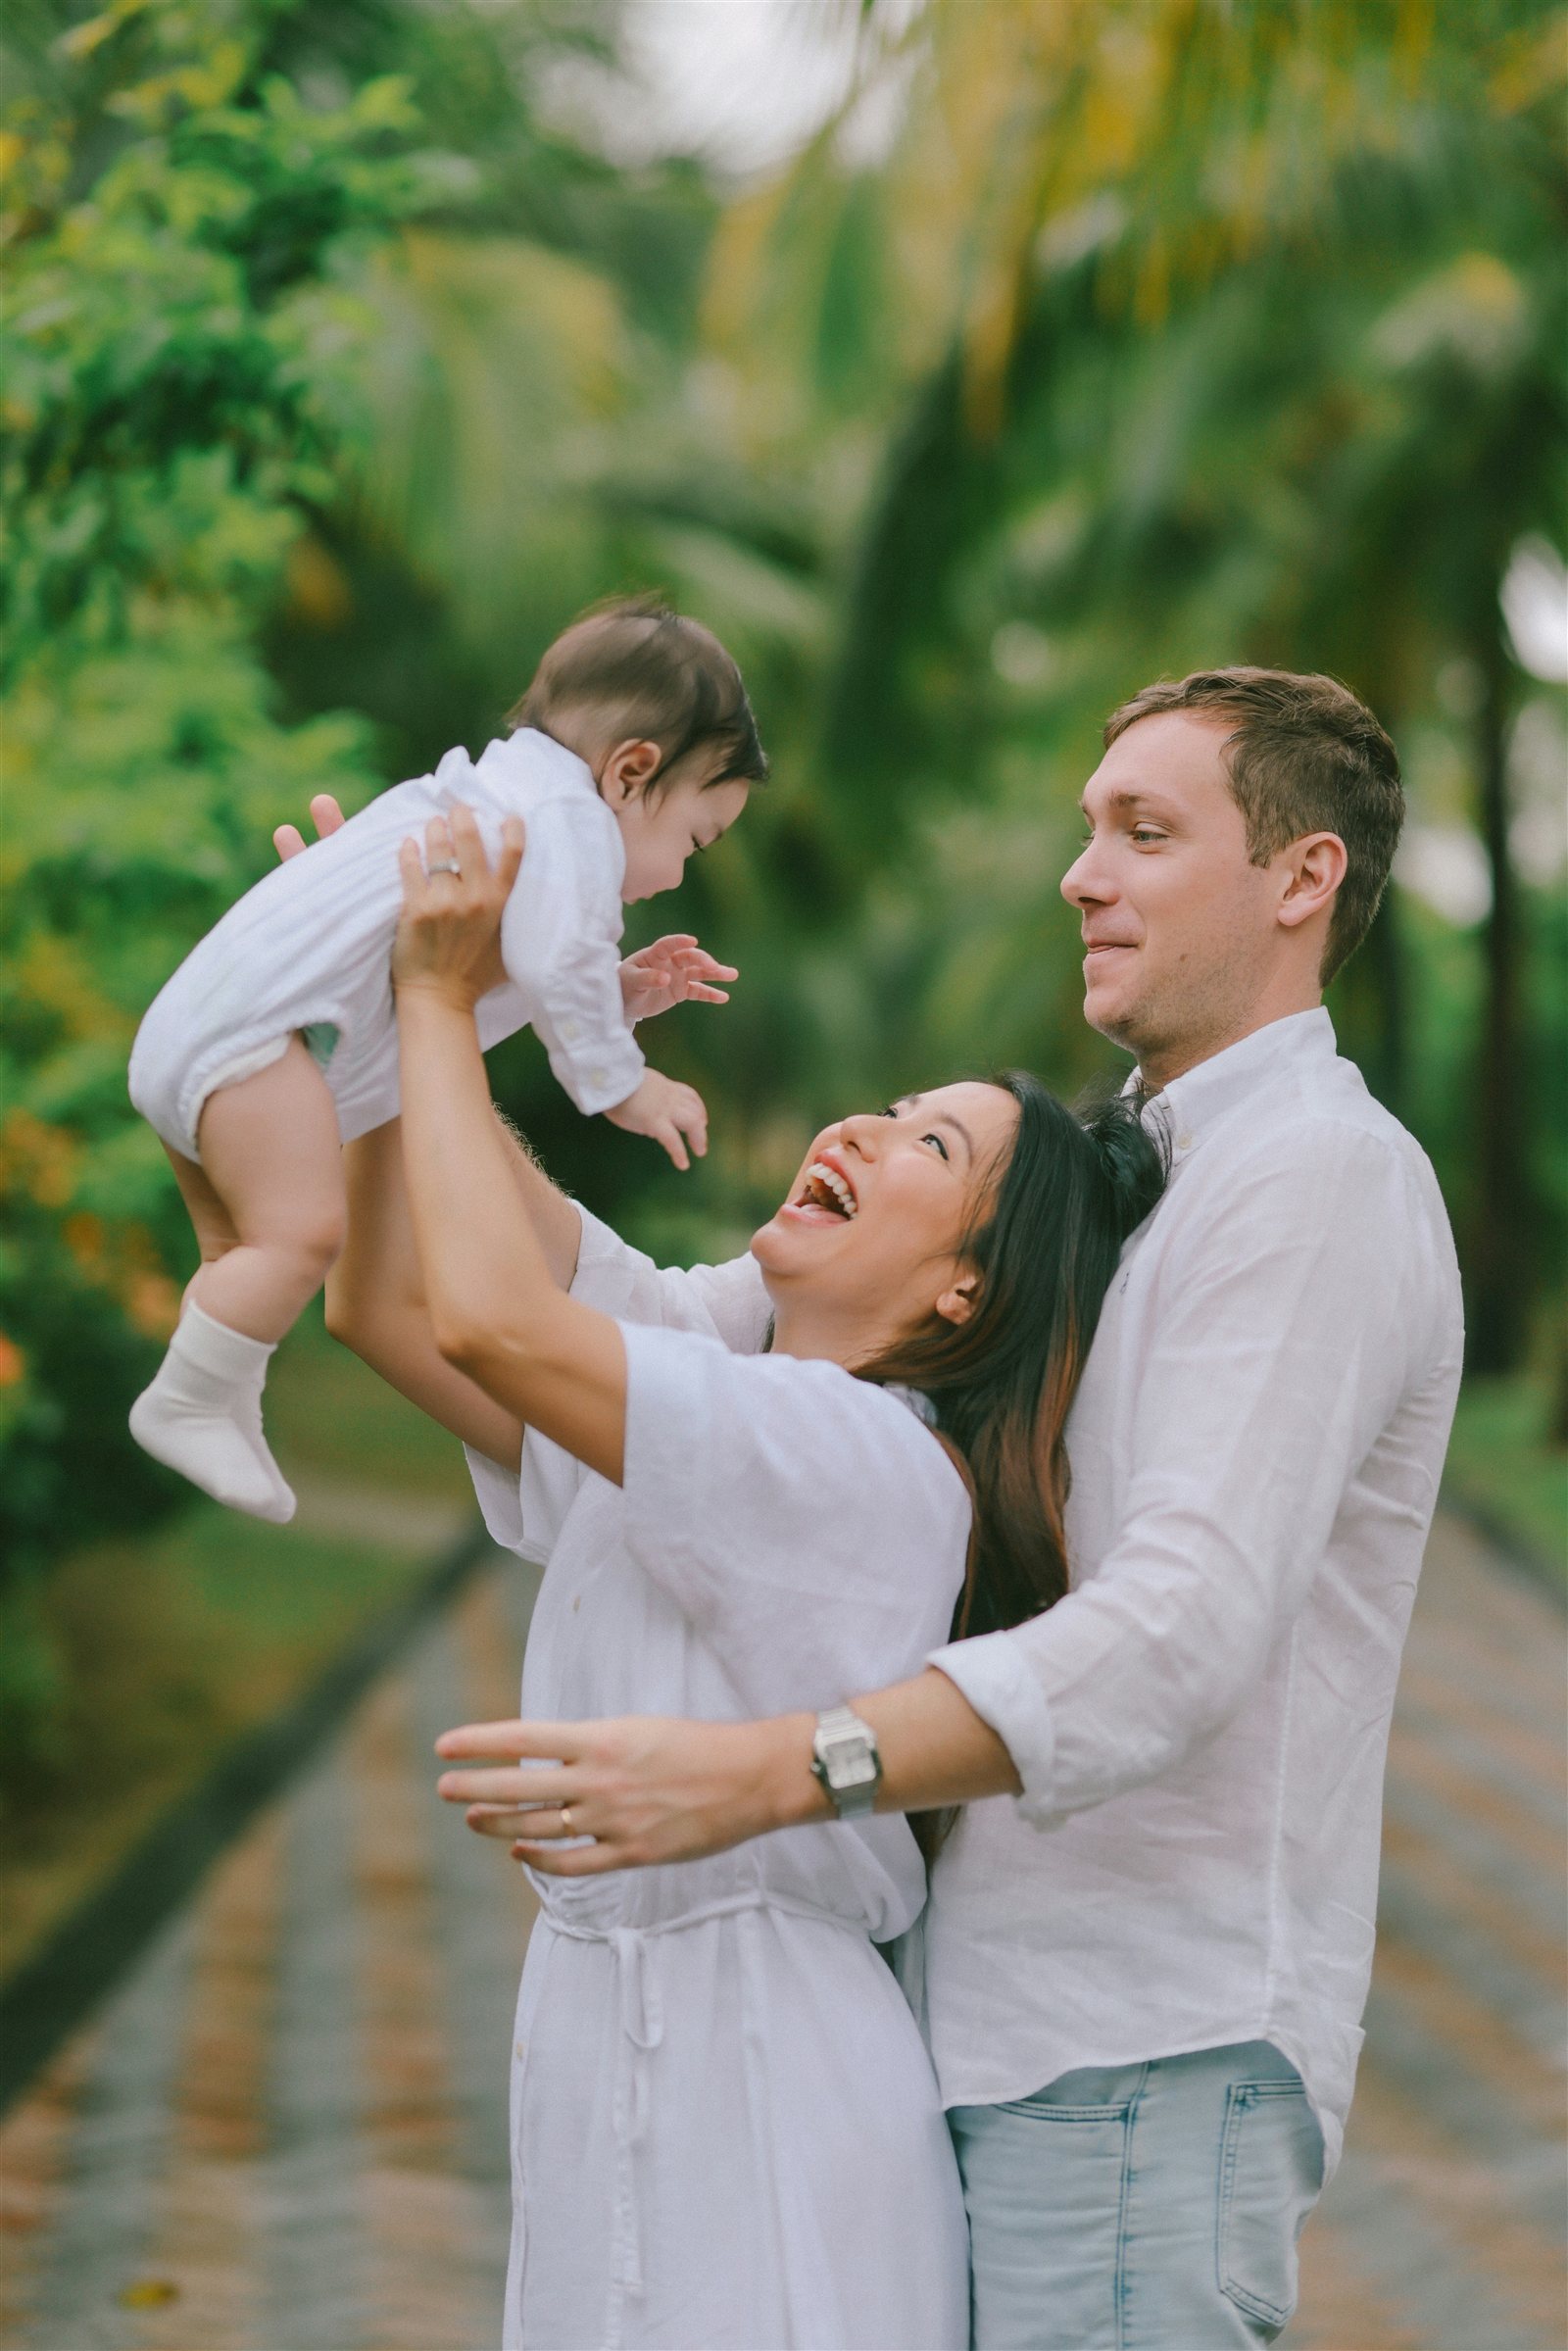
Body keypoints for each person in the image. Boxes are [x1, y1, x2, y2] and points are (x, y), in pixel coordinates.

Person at [435, 668, 1465, 2350]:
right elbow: (623, 1319)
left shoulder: (1315, 1179)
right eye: (1087, 829)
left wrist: (765, 1770)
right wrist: (432, 1016)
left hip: (1141, 2059)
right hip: (978, 2042)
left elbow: (1179, 1624)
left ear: (1303, 878)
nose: (1084, 873)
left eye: (1145, 829)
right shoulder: (1113, 1182)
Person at [321, 801, 1164, 2350]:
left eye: (930, 1143)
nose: (859, 1125)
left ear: (968, 1283)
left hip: (762, 2073)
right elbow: (380, 1299)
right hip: (607, 2036)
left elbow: (497, 1319)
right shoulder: (701, 1393)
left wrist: (441, 1003)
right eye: (894, 1103)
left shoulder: (859, 1458)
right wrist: (391, 1006)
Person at [126, 597, 762, 1524]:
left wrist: (618, 991)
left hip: (204, 1028)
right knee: (299, 1237)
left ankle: (219, 1396)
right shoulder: (570, 825)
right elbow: (549, 961)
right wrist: (625, 1082)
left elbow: (496, 976)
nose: (673, 875)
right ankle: (184, 1402)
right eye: (693, 839)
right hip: (252, 1052)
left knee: (241, 1255)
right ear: (631, 772)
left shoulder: (491, 797)